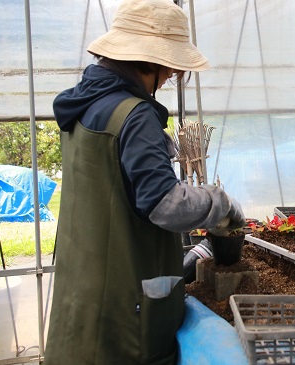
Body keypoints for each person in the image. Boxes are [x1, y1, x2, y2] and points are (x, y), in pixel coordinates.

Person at [44, 0, 245, 364]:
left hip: (80, 309)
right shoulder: (134, 116)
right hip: (123, 324)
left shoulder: (84, 106)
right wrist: (220, 201)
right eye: (169, 67)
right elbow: (165, 205)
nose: (170, 75)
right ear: (148, 61)